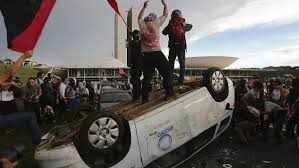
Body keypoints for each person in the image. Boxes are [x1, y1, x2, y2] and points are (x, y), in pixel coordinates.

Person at [0, 50, 41, 146]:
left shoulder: (11, 83)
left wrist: (12, 83)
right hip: (3, 104)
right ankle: (39, 145)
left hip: (10, 102)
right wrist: (24, 57)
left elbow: (6, 78)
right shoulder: (7, 82)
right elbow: (8, 73)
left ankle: (10, 128)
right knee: (30, 116)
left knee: (14, 114)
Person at [138, 0, 174, 103]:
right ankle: (169, 93)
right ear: (154, 17)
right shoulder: (156, 22)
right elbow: (166, 14)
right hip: (157, 53)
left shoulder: (142, 25)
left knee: (146, 78)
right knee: (166, 73)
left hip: (146, 55)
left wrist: (144, 7)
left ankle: (144, 98)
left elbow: (139, 17)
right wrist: (165, 4)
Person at [163, 9, 192, 86]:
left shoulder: (171, 23)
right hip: (181, 46)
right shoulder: (183, 22)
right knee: (182, 64)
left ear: (172, 15)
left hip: (172, 46)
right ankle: (181, 82)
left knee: (171, 64)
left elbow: (164, 32)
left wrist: (170, 26)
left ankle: (169, 82)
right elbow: (189, 28)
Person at [129, 30, 142, 101]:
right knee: (138, 79)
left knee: (135, 79)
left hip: (135, 64)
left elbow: (131, 42)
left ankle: (136, 95)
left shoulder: (132, 43)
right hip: (140, 63)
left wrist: (132, 34)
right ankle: (139, 93)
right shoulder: (141, 42)